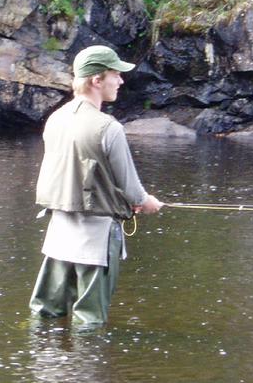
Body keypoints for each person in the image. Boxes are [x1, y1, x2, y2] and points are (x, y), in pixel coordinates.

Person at [29, 45, 163, 325]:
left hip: (59, 233)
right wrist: (146, 202)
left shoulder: (56, 119)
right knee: (89, 320)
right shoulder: (109, 128)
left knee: (45, 313)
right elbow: (131, 189)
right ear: (97, 80)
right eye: (115, 74)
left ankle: (43, 364)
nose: (121, 81)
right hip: (96, 236)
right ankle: (85, 366)